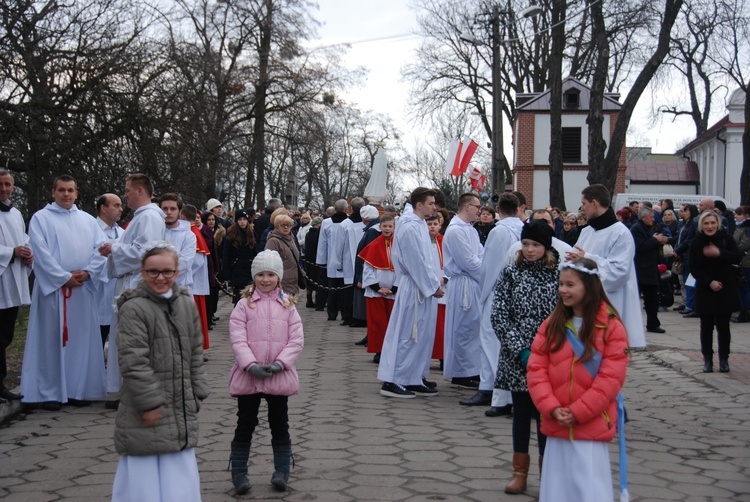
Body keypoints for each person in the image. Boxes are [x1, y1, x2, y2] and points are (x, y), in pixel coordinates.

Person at [527, 257, 629, 502]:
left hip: (589, 424)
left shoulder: (611, 327)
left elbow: (611, 379)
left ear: (589, 286)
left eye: (570, 285)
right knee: (557, 487)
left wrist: (580, 411)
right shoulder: (552, 324)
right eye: (561, 284)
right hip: (557, 422)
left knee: (588, 486)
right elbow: (536, 369)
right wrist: (550, 407)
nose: (563, 290)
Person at [112, 245, 208, 502]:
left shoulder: (186, 304)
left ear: (176, 272)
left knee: (179, 474)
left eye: (167, 271)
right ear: (143, 273)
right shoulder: (134, 308)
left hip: (180, 406)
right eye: (153, 272)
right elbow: (133, 361)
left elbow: (195, 352)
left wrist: (198, 390)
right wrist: (150, 403)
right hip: (146, 410)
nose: (160, 278)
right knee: (145, 482)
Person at [21, 175, 107, 410]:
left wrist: (88, 272)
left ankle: (77, 390)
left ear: (77, 193)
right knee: (51, 340)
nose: (66, 194)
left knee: (80, 340)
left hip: (81, 290)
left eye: (70, 190)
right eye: (62, 190)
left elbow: (100, 250)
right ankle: (49, 392)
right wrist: (63, 277)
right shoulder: (41, 219)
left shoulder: (88, 220)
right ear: (53, 192)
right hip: (54, 291)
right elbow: (40, 252)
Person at [228, 250, 304, 494]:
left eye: (271, 274)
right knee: (245, 422)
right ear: (254, 277)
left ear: (279, 277)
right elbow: (238, 339)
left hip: (277, 374)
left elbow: (296, 340)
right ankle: (239, 472)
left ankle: (282, 470)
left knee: (279, 422)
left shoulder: (288, 305)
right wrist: (249, 364)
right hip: (249, 374)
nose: (265, 279)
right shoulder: (244, 305)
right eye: (260, 274)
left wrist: (280, 364)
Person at [492, 220, 559, 495]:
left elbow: (566, 316)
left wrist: (547, 351)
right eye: (526, 244)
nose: (530, 250)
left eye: (536, 245)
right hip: (517, 355)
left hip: (550, 356)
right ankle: (519, 472)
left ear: (547, 248)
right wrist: (520, 349)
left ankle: (549, 474)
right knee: (521, 412)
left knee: (545, 414)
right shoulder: (511, 272)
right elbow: (499, 314)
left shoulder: (558, 275)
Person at [99, 173, 165, 404]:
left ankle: (135, 392)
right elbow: (136, 247)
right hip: (131, 284)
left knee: (133, 340)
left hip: (137, 286)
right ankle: (127, 389)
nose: (124, 195)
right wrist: (115, 247)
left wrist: (114, 250)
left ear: (139, 191)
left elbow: (146, 253)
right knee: (125, 339)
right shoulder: (141, 217)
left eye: (127, 190)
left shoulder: (149, 218)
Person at [378, 188, 444, 398]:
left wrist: (435, 281)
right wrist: (432, 286)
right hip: (413, 286)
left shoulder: (418, 224)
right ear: (419, 205)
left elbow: (427, 259)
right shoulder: (408, 226)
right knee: (408, 333)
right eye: (431, 203)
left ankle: (413, 377)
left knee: (421, 335)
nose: (434, 207)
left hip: (420, 286)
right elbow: (416, 261)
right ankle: (394, 379)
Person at [567, 184, 646, 349]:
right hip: (584, 302)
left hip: (610, 302)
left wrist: (586, 258)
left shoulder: (621, 233)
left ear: (594, 203)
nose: (581, 208)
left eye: (584, 203)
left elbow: (619, 273)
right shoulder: (586, 231)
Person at [466, 193, 521, 413]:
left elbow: (490, 266)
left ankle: (490, 388)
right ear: (517, 209)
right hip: (517, 293)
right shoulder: (522, 227)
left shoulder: (499, 231)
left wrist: (483, 293)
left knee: (490, 341)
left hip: (498, 292)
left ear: (498, 210)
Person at [689, 211, 743, 373]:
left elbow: (737, 257)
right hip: (706, 289)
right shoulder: (697, 242)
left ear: (718, 224)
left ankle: (724, 359)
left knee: (723, 326)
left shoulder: (726, 238)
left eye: (712, 223)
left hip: (726, 287)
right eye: (706, 223)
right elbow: (694, 268)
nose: (710, 226)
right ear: (701, 226)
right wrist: (709, 282)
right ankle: (707, 359)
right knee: (706, 326)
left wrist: (719, 253)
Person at [443, 193, 484, 390]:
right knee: (463, 328)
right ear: (467, 207)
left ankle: (471, 369)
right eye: (477, 206)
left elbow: (481, 254)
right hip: (463, 284)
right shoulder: (455, 231)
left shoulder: (470, 230)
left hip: (473, 283)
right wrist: (486, 276)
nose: (480, 210)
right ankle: (461, 372)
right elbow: (468, 261)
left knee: (472, 327)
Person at [0, 170, 33, 402]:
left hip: (10, 282)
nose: (4, 189)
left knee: (5, 335)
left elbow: (23, 238)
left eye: (8, 184)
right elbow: (13, 247)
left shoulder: (15, 213)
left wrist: (28, 253)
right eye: (0, 184)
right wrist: (11, 252)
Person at [359, 213, 397, 364]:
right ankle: (379, 351)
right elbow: (367, 269)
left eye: (390, 226)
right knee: (378, 323)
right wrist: (377, 288)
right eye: (385, 226)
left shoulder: (399, 246)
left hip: (394, 292)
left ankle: (392, 351)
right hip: (376, 292)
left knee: (393, 323)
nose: (387, 229)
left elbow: (402, 269)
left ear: (394, 227)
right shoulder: (373, 245)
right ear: (380, 227)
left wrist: (394, 288)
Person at [631, 207, 670, 333]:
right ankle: (636, 324)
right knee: (644, 299)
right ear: (643, 217)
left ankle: (653, 324)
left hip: (650, 269)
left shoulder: (646, 228)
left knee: (652, 300)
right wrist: (655, 240)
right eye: (651, 217)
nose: (653, 220)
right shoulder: (637, 229)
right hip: (641, 270)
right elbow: (641, 246)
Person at [95, 194, 123, 348]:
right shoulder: (90, 228)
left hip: (115, 289)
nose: (121, 209)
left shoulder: (123, 232)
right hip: (97, 289)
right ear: (103, 208)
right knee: (96, 336)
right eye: (116, 205)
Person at [316, 199, 350, 322]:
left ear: (335, 210)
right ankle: (346, 315)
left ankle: (332, 314)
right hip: (346, 261)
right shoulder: (349, 222)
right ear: (346, 209)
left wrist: (321, 261)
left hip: (331, 260)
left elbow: (322, 243)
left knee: (332, 289)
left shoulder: (326, 223)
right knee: (345, 290)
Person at [160, 193, 196, 291]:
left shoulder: (188, 235)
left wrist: (159, 271)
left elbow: (185, 262)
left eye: (173, 209)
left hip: (180, 289)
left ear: (180, 212)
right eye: (165, 209)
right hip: (155, 288)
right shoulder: (154, 231)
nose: (168, 212)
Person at [223, 210, 258, 305]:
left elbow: (255, 252)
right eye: (240, 219)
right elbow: (226, 255)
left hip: (249, 269)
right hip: (237, 270)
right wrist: (227, 274)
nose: (242, 221)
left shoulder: (251, 234)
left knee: (250, 297)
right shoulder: (231, 235)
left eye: (244, 219)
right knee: (239, 299)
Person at [341, 197, 366, 326]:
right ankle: (359, 316)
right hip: (363, 260)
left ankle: (347, 316)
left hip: (348, 260)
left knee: (348, 290)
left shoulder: (345, 224)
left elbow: (339, 245)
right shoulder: (367, 224)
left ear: (351, 208)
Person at [265, 213, 301, 296]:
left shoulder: (291, 238)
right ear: (277, 226)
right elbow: (269, 263)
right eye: (283, 225)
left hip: (292, 281)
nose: (286, 227)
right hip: (281, 283)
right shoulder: (273, 241)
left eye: (288, 225)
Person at [426, 215, 446, 366]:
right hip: (429, 287)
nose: (432, 227)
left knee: (442, 326)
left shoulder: (445, 241)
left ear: (440, 225)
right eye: (429, 224)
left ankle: (443, 357)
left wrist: (445, 278)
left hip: (445, 288)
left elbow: (452, 262)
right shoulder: (423, 242)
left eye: (435, 224)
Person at [674, 204, 699, 316]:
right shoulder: (684, 224)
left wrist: (678, 250)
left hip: (689, 257)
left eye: (686, 211)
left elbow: (688, 240)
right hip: (684, 257)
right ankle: (689, 304)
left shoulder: (692, 224)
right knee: (686, 282)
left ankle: (691, 305)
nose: (683, 213)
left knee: (690, 282)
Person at [733, 206, 750, 323]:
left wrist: (733, 251)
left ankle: (746, 312)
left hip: (746, 262)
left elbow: (744, 244)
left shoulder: (747, 228)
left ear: (747, 215)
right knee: (742, 288)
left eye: (739, 214)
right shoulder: (739, 227)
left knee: (745, 289)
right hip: (740, 262)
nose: (736, 216)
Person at [304, 217, 325, 310]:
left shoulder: (308, 234)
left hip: (308, 261)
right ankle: (317, 300)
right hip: (316, 261)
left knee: (309, 281)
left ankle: (309, 299)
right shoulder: (318, 235)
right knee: (317, 281)